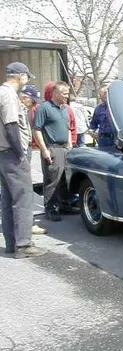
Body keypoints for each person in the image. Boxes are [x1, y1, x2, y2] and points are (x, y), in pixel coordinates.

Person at [0, 62, 46, 258]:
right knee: (23, 198)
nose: (26, 80)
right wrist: (20, 153)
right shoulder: (9, 94)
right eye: (26, 76)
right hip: (11, 153)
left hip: (3, 154)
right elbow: (11, 125)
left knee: (9, 198)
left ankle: (12, 243)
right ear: (20, 76)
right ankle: (24, 245)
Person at [33, 81, 75, 222]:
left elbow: (68, 128)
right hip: (52, 148)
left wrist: (69, 145)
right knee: (52, 180)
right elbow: (36, 130)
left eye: (67, 93)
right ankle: (51, 208)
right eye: (64, 93)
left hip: (65, 148)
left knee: (64, 179)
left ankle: (65, 205)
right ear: (55, 93)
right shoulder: (44, 108)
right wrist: (44, 149)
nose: (67, 96)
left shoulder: (65, 109)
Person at [19, 84, 48, 235]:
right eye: (32, 101)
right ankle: (26, 226)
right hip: (18, 154)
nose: (34, 105)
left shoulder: (25, 110)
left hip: (21, 151)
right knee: (23, 191)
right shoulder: (17, 110)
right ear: (24, 97)